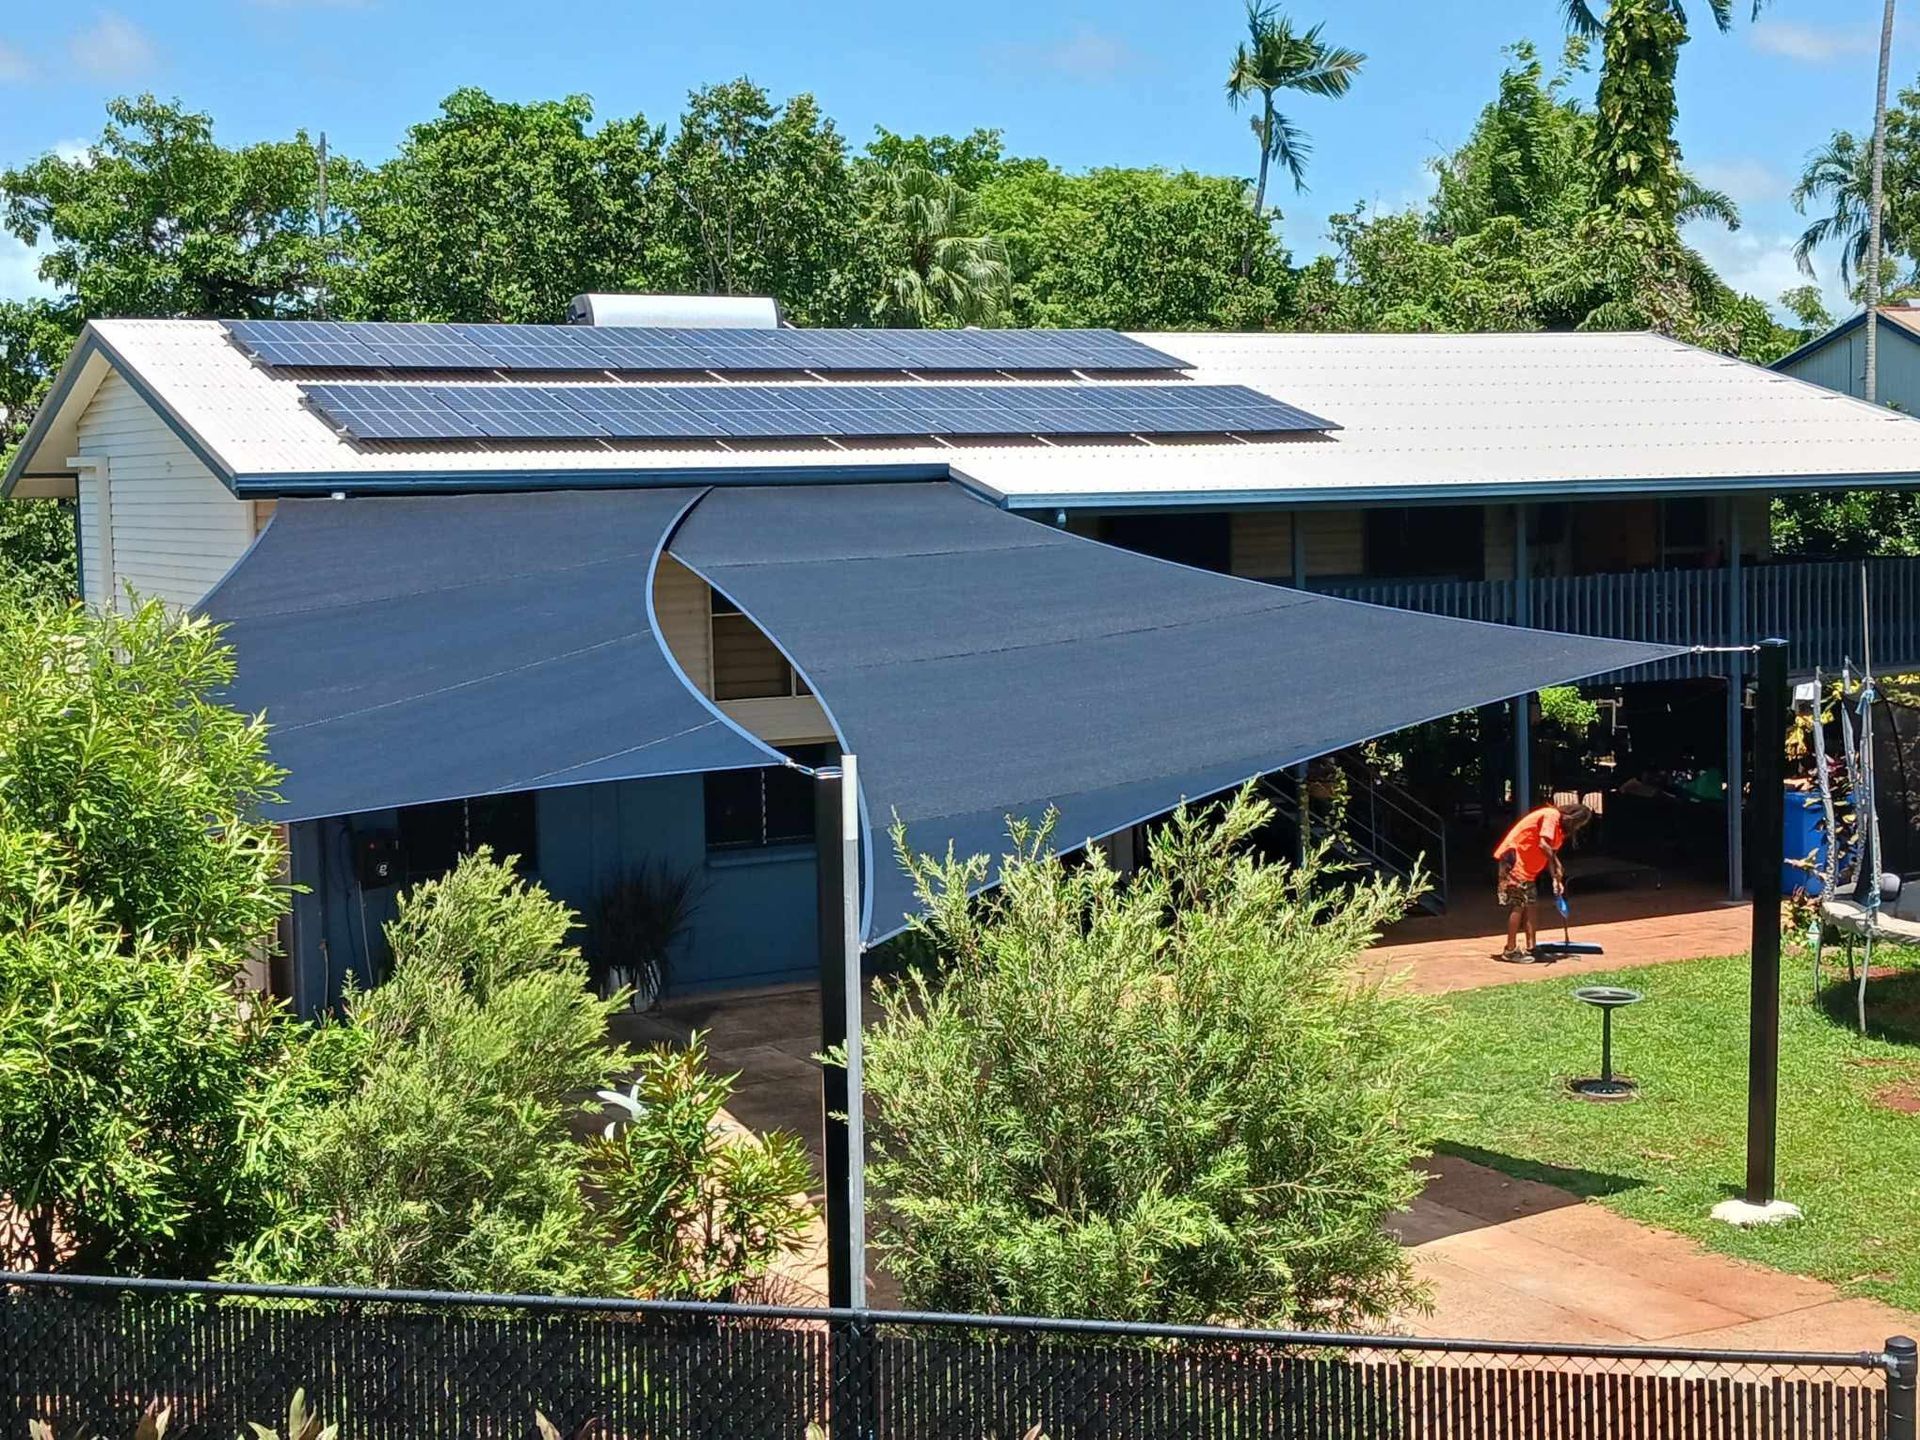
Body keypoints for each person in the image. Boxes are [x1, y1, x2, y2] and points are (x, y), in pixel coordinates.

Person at [1492, 801, 1593, 962]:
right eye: (1578, 823)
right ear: (1572, 816)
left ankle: (1532, 948)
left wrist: (1556, 879)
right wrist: (1558, 865)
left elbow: (1549, 855)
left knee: (1531, 905)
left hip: (1529, 870)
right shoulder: (1551, 816)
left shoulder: (1559, 830)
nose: (1577, 827)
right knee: (1518, 905)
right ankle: (1509, 951)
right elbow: (1543, 845)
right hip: (1514, 862)